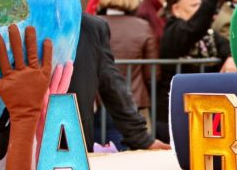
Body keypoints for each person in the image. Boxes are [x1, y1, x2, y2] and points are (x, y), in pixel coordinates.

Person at [156, 0, 237, 141]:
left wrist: (230, 57)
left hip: (206, 110)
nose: (202, 12)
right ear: (176, 9)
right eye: (195, 6)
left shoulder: (207, 31)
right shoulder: (173, 31)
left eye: (201, 5)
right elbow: (194, 28)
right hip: (177, 111)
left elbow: (225, 45)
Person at [68, 14, 169, 151]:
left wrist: (140, 136)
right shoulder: (89, 25)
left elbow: (110, 81)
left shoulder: (89, 26)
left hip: (73, 143)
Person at [97, 0, 159, 133]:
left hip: (99, 102)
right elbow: (152, 74)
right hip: (135, 102)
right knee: (137, 154)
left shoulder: (92, 24)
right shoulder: (142, 26)